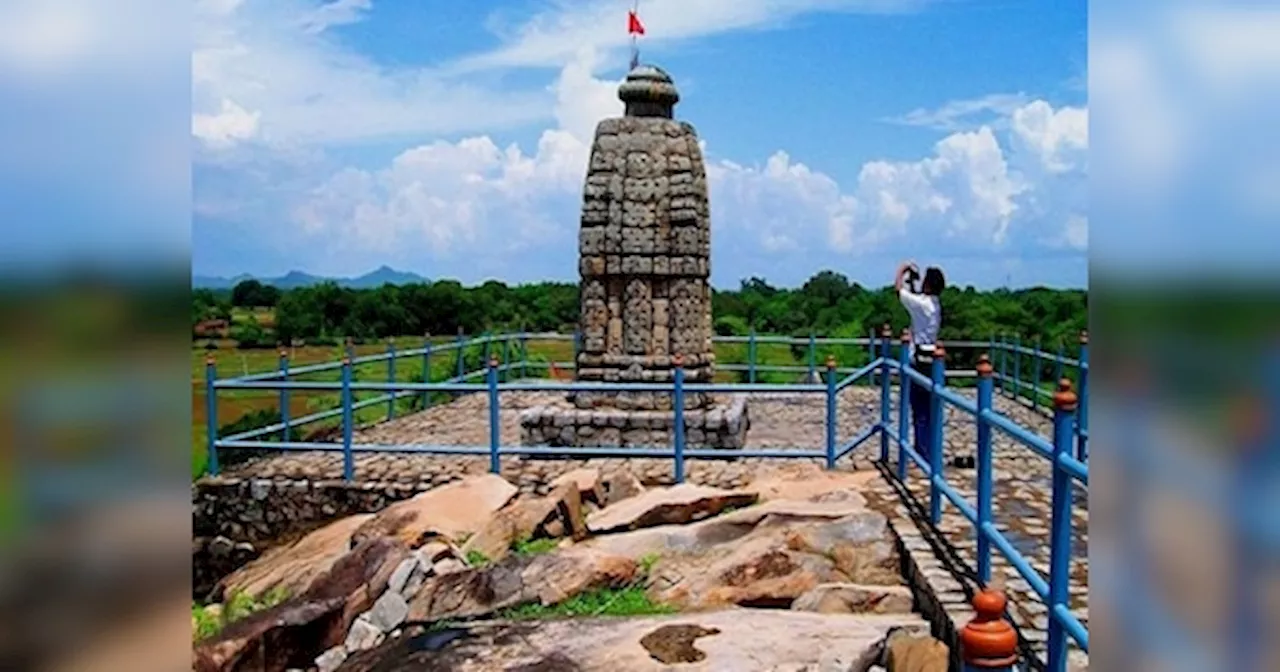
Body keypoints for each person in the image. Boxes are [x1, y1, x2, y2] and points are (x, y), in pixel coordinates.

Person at [895, 260, 945, 459]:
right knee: (930, 408)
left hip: (918, 360)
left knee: (919, 408)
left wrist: (903, 268)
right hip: (932, 358)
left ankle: (922, 452)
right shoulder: (934, 305)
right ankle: (929, 450)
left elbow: (898, 290)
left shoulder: (922, 305)